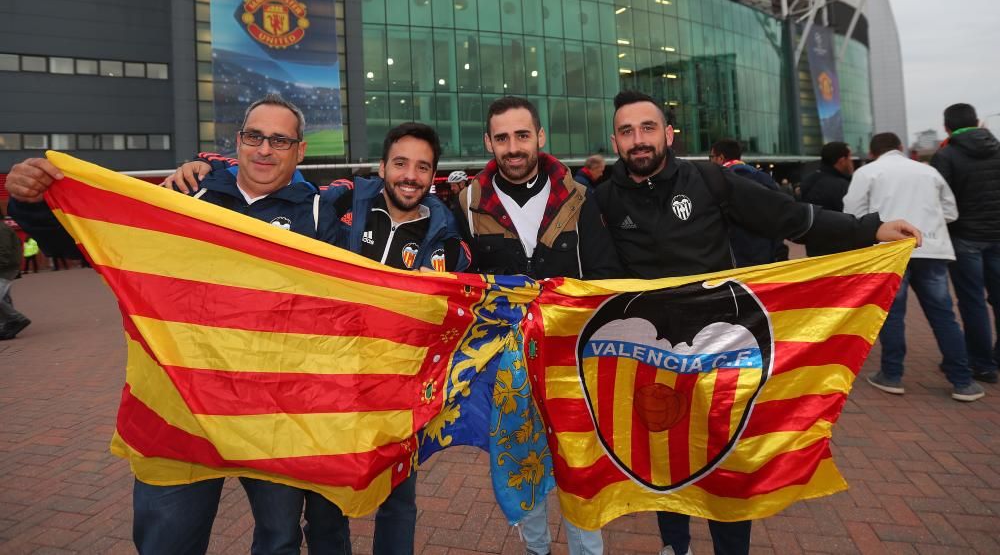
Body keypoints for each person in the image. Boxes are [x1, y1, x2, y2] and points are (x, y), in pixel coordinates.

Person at [7, 95, 466, 555]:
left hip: (273, 412)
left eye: (280, 140)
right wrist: (33, 202)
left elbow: (353, 298)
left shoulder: (321, 214)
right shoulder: (185, 195)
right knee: (168, 542)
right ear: (238, 142)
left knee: (280, 538)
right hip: (180, 406)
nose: (265, 150)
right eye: (255, 137)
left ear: (299, 151)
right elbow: (96, 231)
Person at [593, 90, 921, 555]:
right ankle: (675, 545)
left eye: (648, 128)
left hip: (721, 349)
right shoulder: (604, 200)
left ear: (668, 134)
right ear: (615, 140)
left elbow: (788, 217)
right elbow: (592, 280)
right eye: (627, 131)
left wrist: (868, 229)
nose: (638, 140)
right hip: (651, 355)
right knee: (665, 458)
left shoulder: (708, 180)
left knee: (729, 461)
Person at [454, 96, 621, 555]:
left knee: (578, 464)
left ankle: (588, 551)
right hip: (508, 363)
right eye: (502, 138)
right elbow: (460, 283)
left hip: (572, 359)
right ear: (489, 142)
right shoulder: (467, 203)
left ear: (540, 137)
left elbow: (604, 276)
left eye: (522, 135)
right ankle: (537, 548)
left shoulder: (581, 196)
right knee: (522, 458)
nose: (513, 147)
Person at [843, 132, 984, 402]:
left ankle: (892, 374)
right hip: (931, 247)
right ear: (900, 147)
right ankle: (962, 381)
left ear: (873, 152)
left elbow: (853, 211)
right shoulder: (928, 172)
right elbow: (951, 212)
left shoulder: (869, 172)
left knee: (892, 313)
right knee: (943, 314)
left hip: (890, 251)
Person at [930, 103, 1000, 384]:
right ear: (978, 121)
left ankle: (982, 365)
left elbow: (939, 201)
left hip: (965, 237)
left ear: (947, 127)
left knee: (972, 303)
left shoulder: (946, 156)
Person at [709, 138, 789, 265]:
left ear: (721, 158)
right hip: (764, 252)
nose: (710, 161)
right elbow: (778, 214)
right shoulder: (764, 178)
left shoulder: (716, 181)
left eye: (711, 157)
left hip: (731, 256)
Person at [799, 141, 854, 212]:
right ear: (842, 161)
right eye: (850, 158)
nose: (852, 162)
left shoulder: (807, 180)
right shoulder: (841, 187)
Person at [1, 221, 30, 340]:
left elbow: (3, 252)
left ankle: (15, 319)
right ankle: (7, 327)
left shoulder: (1, 229)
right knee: (4, 298)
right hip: (6, 267)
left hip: (5, 269)